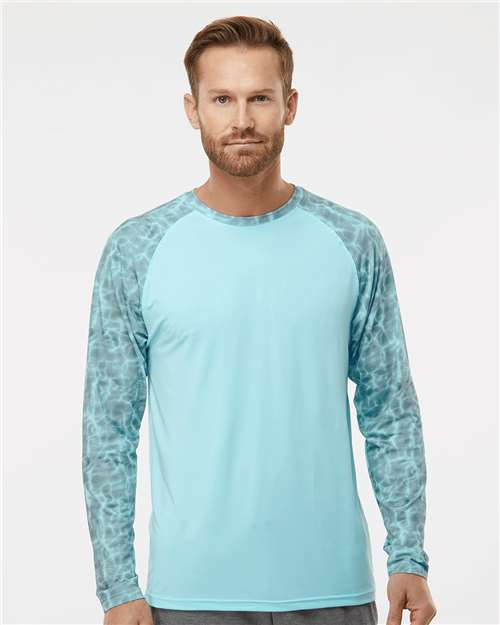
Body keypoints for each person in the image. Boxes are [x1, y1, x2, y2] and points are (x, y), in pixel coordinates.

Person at [81, 15, 437, 625]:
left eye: (260, 98)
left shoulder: (353, 240)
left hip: (332, 591)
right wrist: (117, 587)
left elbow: (390, 408)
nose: (241, 119)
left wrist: (408, 554)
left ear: (290, 105)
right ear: (192, 109)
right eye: (222, 99)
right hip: (188, 597)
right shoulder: (137, 248)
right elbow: (108, 431)